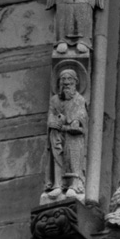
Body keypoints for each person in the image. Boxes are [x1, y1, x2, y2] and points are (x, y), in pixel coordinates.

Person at [44, 69, 88, 201]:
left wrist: (75, 121)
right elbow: (51, 115)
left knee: (73, 151)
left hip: (72, 134)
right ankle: (57, 184)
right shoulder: (55, 100)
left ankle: (73, 185)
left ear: (76, 82)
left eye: (70, 80)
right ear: (59, 83)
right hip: (59, 132)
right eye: (63, 80)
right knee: (56, 151)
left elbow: (82, 116)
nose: (66, 83)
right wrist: (53, 123)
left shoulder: (79, 99)